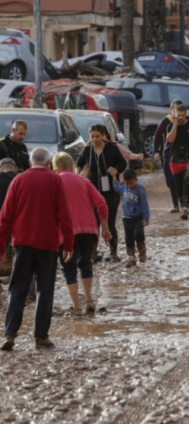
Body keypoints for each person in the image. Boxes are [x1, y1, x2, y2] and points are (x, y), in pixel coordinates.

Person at [0, 148, 73, 351]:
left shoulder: (18, 181)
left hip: (22, 244)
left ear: (31, 163)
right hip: (48, 245)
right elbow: (65, 216)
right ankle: (41, 337)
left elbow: (5, 217)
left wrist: (0, 245)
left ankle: (10, 334)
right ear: (48, 164)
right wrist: (68, 244)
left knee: (17, 289)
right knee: (44, 291)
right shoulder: (55, 181)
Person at [53, 152, 110, 315]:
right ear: (71, 166)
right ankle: (89, 300)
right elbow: (102, 204)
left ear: (56, 168)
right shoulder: (84, 181)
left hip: (65, 233)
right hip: (88, 230)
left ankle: (77, 306)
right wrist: (105, 227)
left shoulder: (55, 182)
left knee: (68, 268)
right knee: (85, 264)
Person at [76, 124, 127, 261]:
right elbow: (79, 163)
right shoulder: (87, 150)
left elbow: (123, 163)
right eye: (92, 136)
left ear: (103, 135)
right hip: (92, 190)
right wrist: (80, 173)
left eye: (98, 136)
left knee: (110, 221)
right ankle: (93, 253)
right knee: (94, 222)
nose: (95, 139)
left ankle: (113, 252)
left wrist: (116, 169)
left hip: (110, 190)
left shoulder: (112, 148)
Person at [110, 168, 150, 268]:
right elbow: (116, 187)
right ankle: (131, 258)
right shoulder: (124, 187)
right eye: (127, 183)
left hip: (138, 218)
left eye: (131, 183)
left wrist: (146, 218)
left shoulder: (140, 189)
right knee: (129, 238)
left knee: (138, 234)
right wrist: (114, 177)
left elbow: (145, 204)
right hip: (127, 218)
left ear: (136, 179)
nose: (129, 186)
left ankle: (142, 251)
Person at [153, 100, 183, 213]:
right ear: (172, 110)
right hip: (169, 153)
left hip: (182, 154)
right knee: (170, 180)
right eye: (175, 110)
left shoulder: (186, 121)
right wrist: (157, 151)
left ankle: (183, 203)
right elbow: (157, 136)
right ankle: (176, 205)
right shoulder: (166, 121)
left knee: (182, 179)